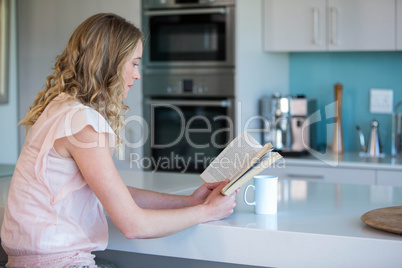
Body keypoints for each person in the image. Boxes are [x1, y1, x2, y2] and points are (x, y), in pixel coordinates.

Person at [0, 13, 237, 267]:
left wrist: (189, 202)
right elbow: (134, 225)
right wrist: (206, 212)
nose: (137, 75)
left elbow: (114, 192)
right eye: (134, 63)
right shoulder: (82, 123)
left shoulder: (60, 107)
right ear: (110, 63)